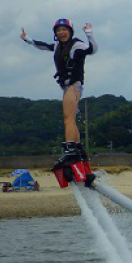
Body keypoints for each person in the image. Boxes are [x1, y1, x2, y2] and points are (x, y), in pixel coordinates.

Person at [21, 19, 97, 168]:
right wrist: (27, 39)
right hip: (66, 86)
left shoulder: (77, 45)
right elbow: (42, 46)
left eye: (64, 29)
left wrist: (89, 34)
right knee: (71, 118)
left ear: (70, 31)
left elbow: (92, 50)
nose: (61, 33)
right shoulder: (57, 46)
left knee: (68, 118)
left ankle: (70, 149)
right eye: (58, 30)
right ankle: (77, 148)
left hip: (74, 85)